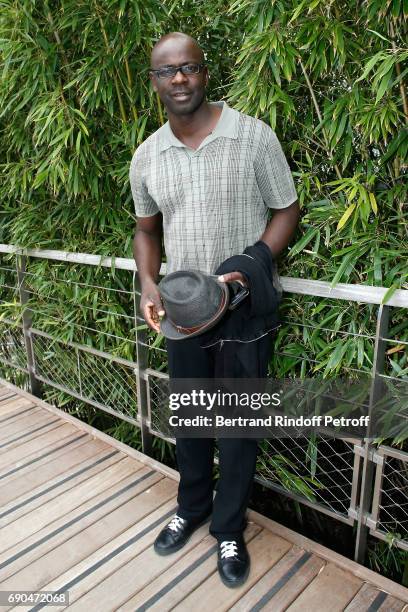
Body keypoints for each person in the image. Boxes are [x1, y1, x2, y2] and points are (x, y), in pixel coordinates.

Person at [130, 31, 300, 588]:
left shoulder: (253, 136)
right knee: (193, 425)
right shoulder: (147, 155)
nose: (179, 79)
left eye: (189, 68)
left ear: (205, 72)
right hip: (182, 313)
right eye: (166, 72)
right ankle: (193, 505)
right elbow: (146, 229)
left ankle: (229, 528)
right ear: (154, 82)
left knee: (238, 429)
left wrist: (252, 260)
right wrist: (149, 283)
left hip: (246, 312)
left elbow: (286, 210)